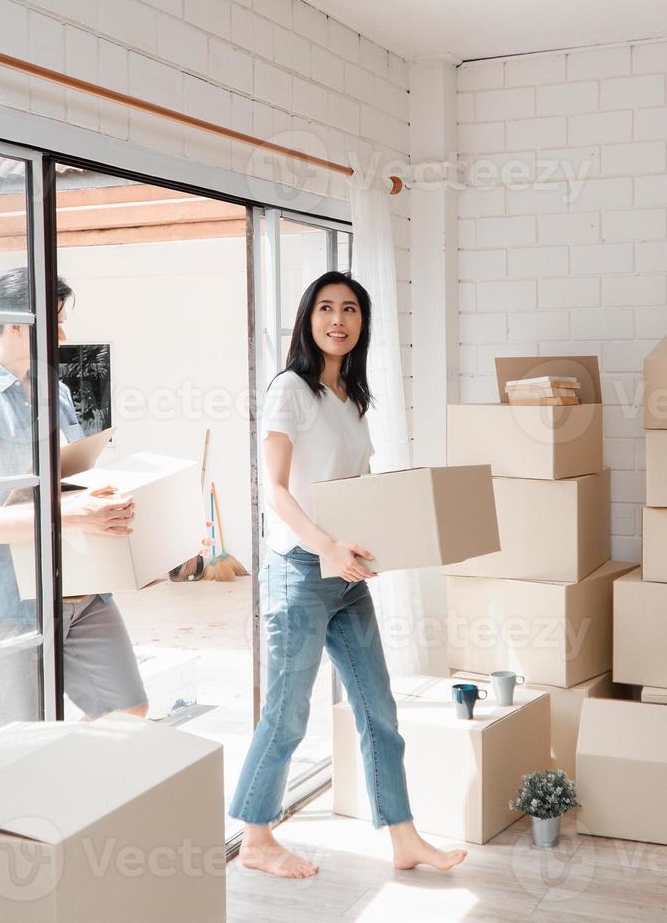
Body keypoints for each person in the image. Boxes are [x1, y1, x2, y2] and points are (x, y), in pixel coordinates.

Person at [229, 270, 466, 878]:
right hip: (301, 571)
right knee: (287, 713)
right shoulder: (290, 389)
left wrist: (369, 548)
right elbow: (275, 492)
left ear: (363, 324)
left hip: (347, 575)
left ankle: (404, 836)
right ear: (308, 319)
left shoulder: (352, 399)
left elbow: (355, 491)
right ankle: (256, 839)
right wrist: (328, 547)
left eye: (351, 310)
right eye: (327, 308)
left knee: (377, 708)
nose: (339, 320)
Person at [0, 267, 148, 726]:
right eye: (55, 319)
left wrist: (109, 500)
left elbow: (72, 476)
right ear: (18, 325)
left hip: (78, 585)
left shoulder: (56, 390)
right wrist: (73, 513)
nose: (63, 332)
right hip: (8, 602)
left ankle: (71, 786)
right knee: (22, 737)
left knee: (127, 708)